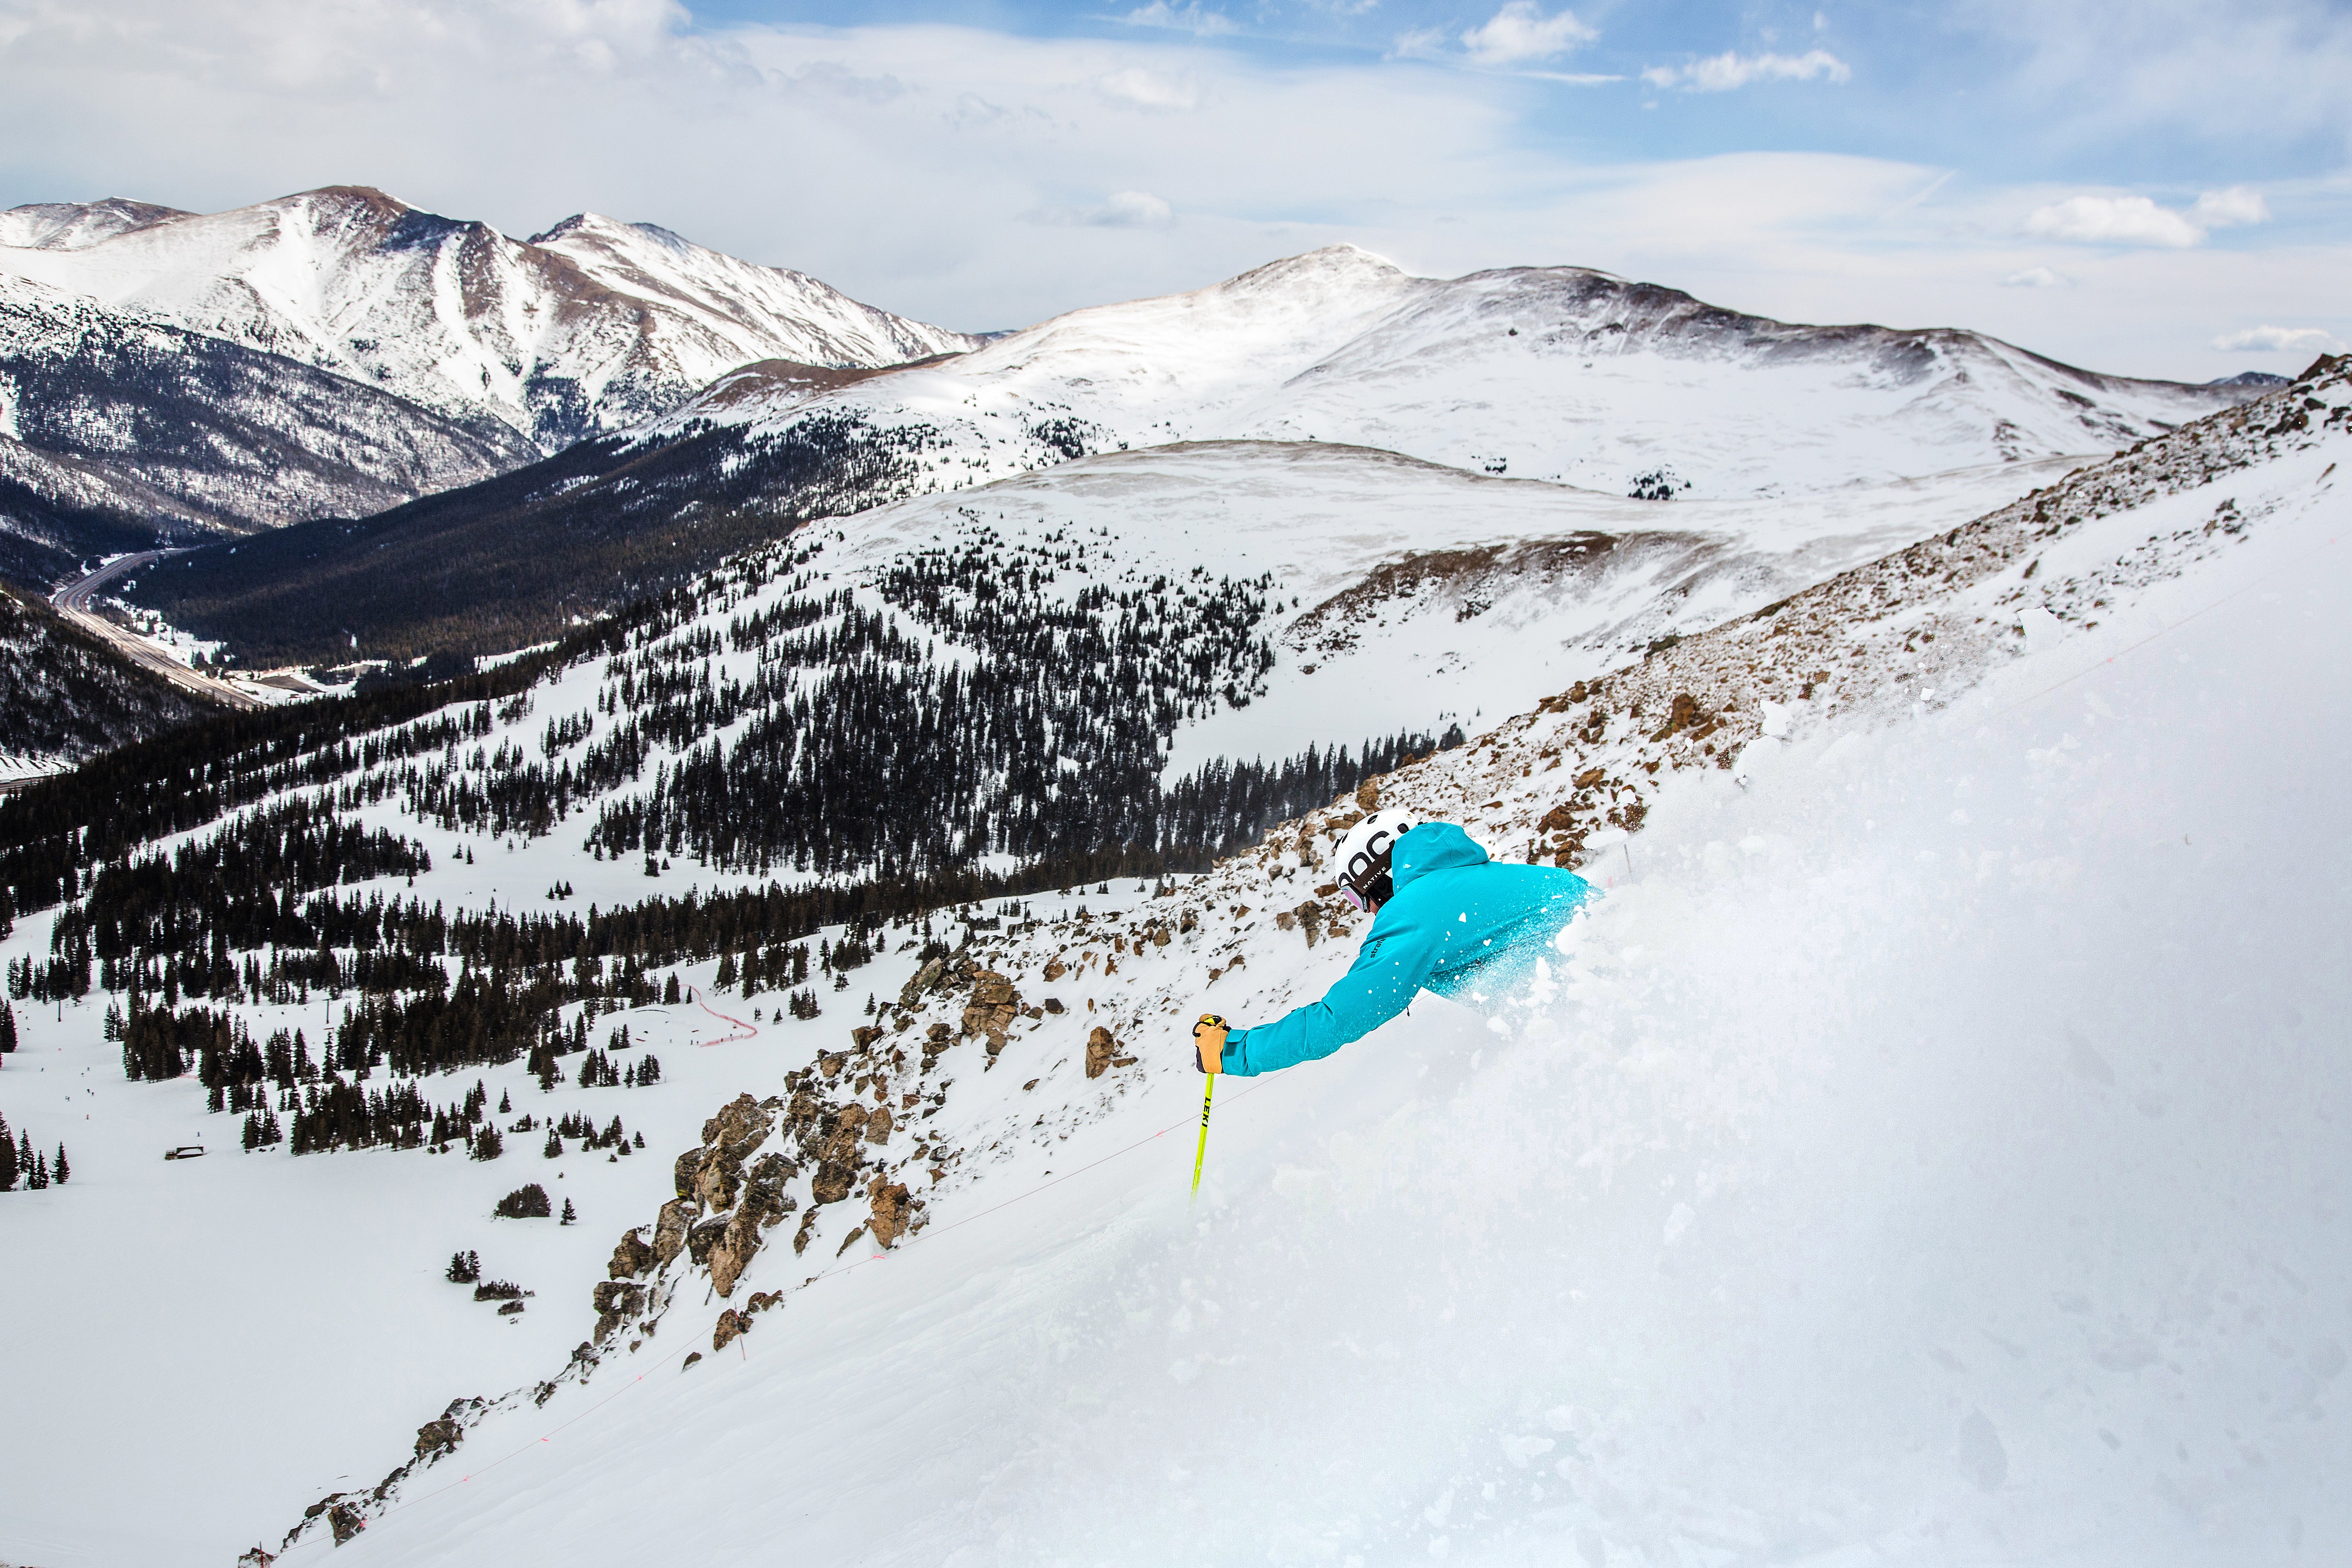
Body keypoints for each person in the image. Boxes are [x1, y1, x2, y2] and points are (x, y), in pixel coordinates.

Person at [1193, 812, 1595, 1076]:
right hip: (1602, 987)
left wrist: (1233, 1051)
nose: (1365, 911)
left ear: (1374, 877)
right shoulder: (1486, 876)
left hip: (1588, 1011)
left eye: (1355, 896)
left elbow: (1337, 1019)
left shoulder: (1414, 912)